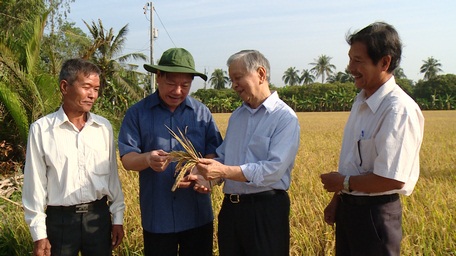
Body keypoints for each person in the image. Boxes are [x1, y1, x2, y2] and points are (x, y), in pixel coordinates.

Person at [320, 22, 425, 256]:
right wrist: (339, 199)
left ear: (385, 62)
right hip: (350, 212)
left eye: (358, 61)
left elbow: (392, 179)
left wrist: (342, 183)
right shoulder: (361, 102)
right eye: (350, 59)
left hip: (375, 217)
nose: (350, 67)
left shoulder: (398, 110)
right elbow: (354, 163)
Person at [118, 47, 223, 256]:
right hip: (158, 217)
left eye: (185, 85)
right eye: (171, 84)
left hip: (197, 216)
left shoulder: (201, 113)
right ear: (158, 77)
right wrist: (147, 158)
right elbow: (127, 158)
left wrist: (200, 174)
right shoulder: (138, 113)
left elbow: (215, 154)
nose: (177, 91)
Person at [196, 50, 300, 256]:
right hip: (232, 211)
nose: (234, 85)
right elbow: (226, 158)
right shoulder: (237, 116)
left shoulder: (284, 118)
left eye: (238, 77)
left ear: (261, 74)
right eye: (231, 79)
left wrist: (223, 171)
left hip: (265, 210)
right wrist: (205, 177)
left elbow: (273, 170)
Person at [22, 58, 125, 256]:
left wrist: (117, 217)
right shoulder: (42, 130)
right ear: (65, 87)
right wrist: (38, 234)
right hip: (60, 222)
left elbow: (112, 177)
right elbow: (34, 184)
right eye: (87, 87)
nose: (92, 95)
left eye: (96, 89)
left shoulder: (104, 128)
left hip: (98, 219)